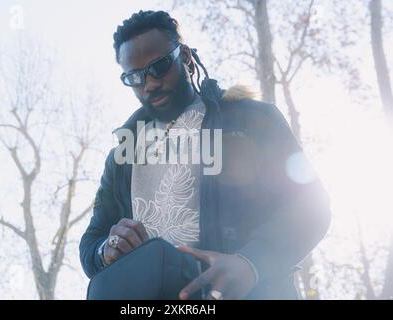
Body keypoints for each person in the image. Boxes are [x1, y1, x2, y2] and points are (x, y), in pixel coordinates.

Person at [79, 10, 331, 300]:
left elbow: (312, 206)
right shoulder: (121, 158)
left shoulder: (252, 121)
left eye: (159, 67)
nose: (149, 83)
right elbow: (91, 244)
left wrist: (251, 264)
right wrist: (106, 249)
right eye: (134, 77)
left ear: (185, 57)